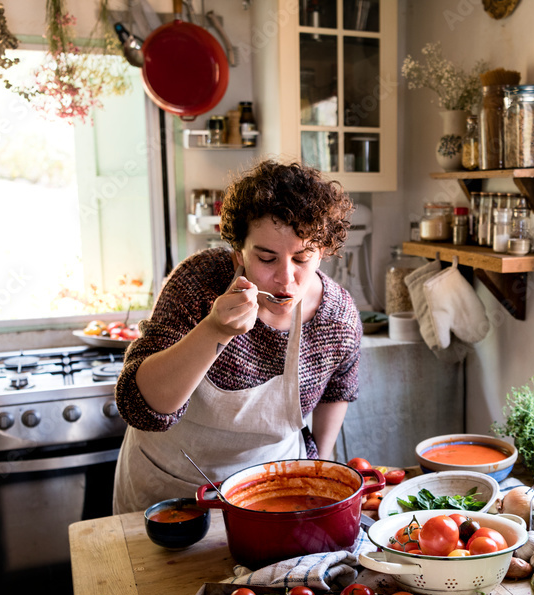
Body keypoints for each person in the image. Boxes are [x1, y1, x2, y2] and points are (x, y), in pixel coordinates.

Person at [112, 160, 361, 514]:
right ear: (238, 253)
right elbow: (141, 409)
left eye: (302, 258)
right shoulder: (199, 283)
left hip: (272, 494)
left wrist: (317, 476)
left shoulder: (336, 318)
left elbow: (338, 391)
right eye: (266, 258)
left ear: (322, 253)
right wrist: (214, 330)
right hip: (171, 490)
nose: (285, 279)